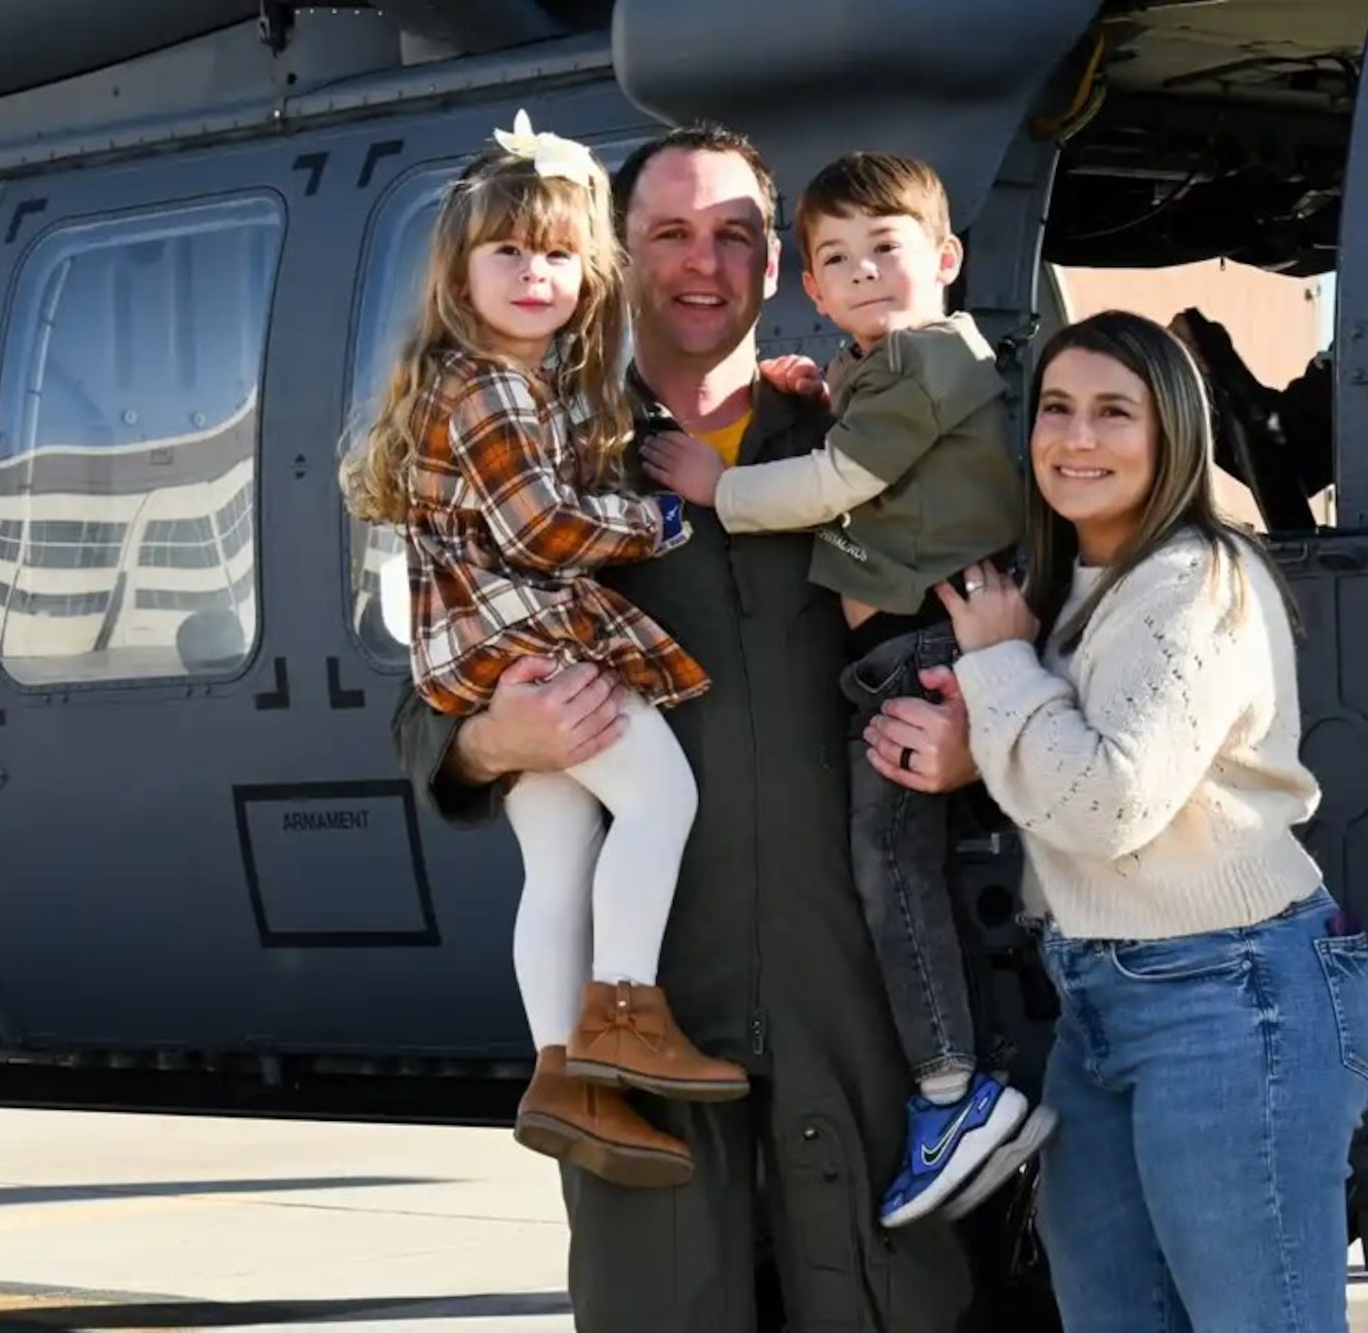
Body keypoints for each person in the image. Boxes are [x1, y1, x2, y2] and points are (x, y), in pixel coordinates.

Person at [390, 122, 978, 1333]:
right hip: (642, 1034)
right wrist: (497, 738)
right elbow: (425, 702)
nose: (702, 262)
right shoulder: (532, 446)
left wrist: (978, 743)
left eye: (735, 235)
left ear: (778, 267)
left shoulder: (854, 439)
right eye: (668, 233)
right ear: (615, 255)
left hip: (852, 1008)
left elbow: (1016, 621)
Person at [923, 309, 1368, 1331]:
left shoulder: (1190, 582)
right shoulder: (1073, 583)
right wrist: (977, 739)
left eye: (1111, 413)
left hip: (1230, 998)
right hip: (1097, 994)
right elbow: (1062, 767)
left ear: (1170, 432)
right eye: (1054, 409)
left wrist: (998, 666)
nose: (1075, 438)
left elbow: (1103, 803)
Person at [640, 148, 1050, 1229]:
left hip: (924, 648)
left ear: (945, 258)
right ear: (810, 290)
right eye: (837, 258)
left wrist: (716, 486)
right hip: (905, 653)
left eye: (888, 247)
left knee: (890, 873)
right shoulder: (882, 367)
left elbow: (841, 481)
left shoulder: (920, 361)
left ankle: (953, 1091)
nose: (865, 272)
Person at [341, 112, 751, 1189]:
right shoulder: (489, 385)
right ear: (459, 271)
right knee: (659, 797)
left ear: (590, 271)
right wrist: (657, 524)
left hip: (485, 656)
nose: (536, 274)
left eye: (560, 255)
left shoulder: (490, 382)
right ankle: (623, 1008)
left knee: (558, 859)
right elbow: (538, 529)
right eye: (509, 252)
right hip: (530, 643)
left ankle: (561, 1073)